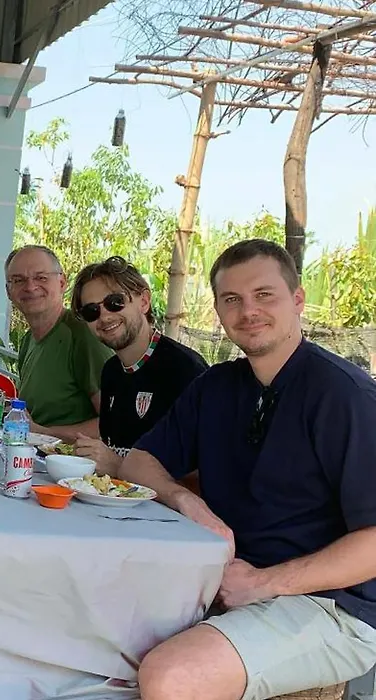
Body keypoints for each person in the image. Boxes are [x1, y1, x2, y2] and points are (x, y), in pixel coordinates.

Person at [117, 239, 376, 700]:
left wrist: (262, 582)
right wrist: (186, 500)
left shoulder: (344, 395)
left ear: (297, 299)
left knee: (172, 677)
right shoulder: (216, 387)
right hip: (222, 577)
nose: (248, 310)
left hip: (331, 606)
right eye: (232, 299)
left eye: (264, 295)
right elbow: (138, 460)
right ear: (218, 310)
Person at [67, 256, 208, 474]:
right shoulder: (111, 371)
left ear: (144, 301)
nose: (104, 317)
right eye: (91, 311)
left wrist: (119, 466)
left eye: (115, 302)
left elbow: (202, 476)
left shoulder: (187, 371)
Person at [0, 245, 112, 442]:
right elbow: (33, 414)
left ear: (62, 282)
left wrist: (44, 433)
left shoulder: (83, 335)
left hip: (70, 458)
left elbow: (116, 422)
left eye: (41, 278)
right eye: (18, 280)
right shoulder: (28, 339)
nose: (30, 287)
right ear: (8, 291)